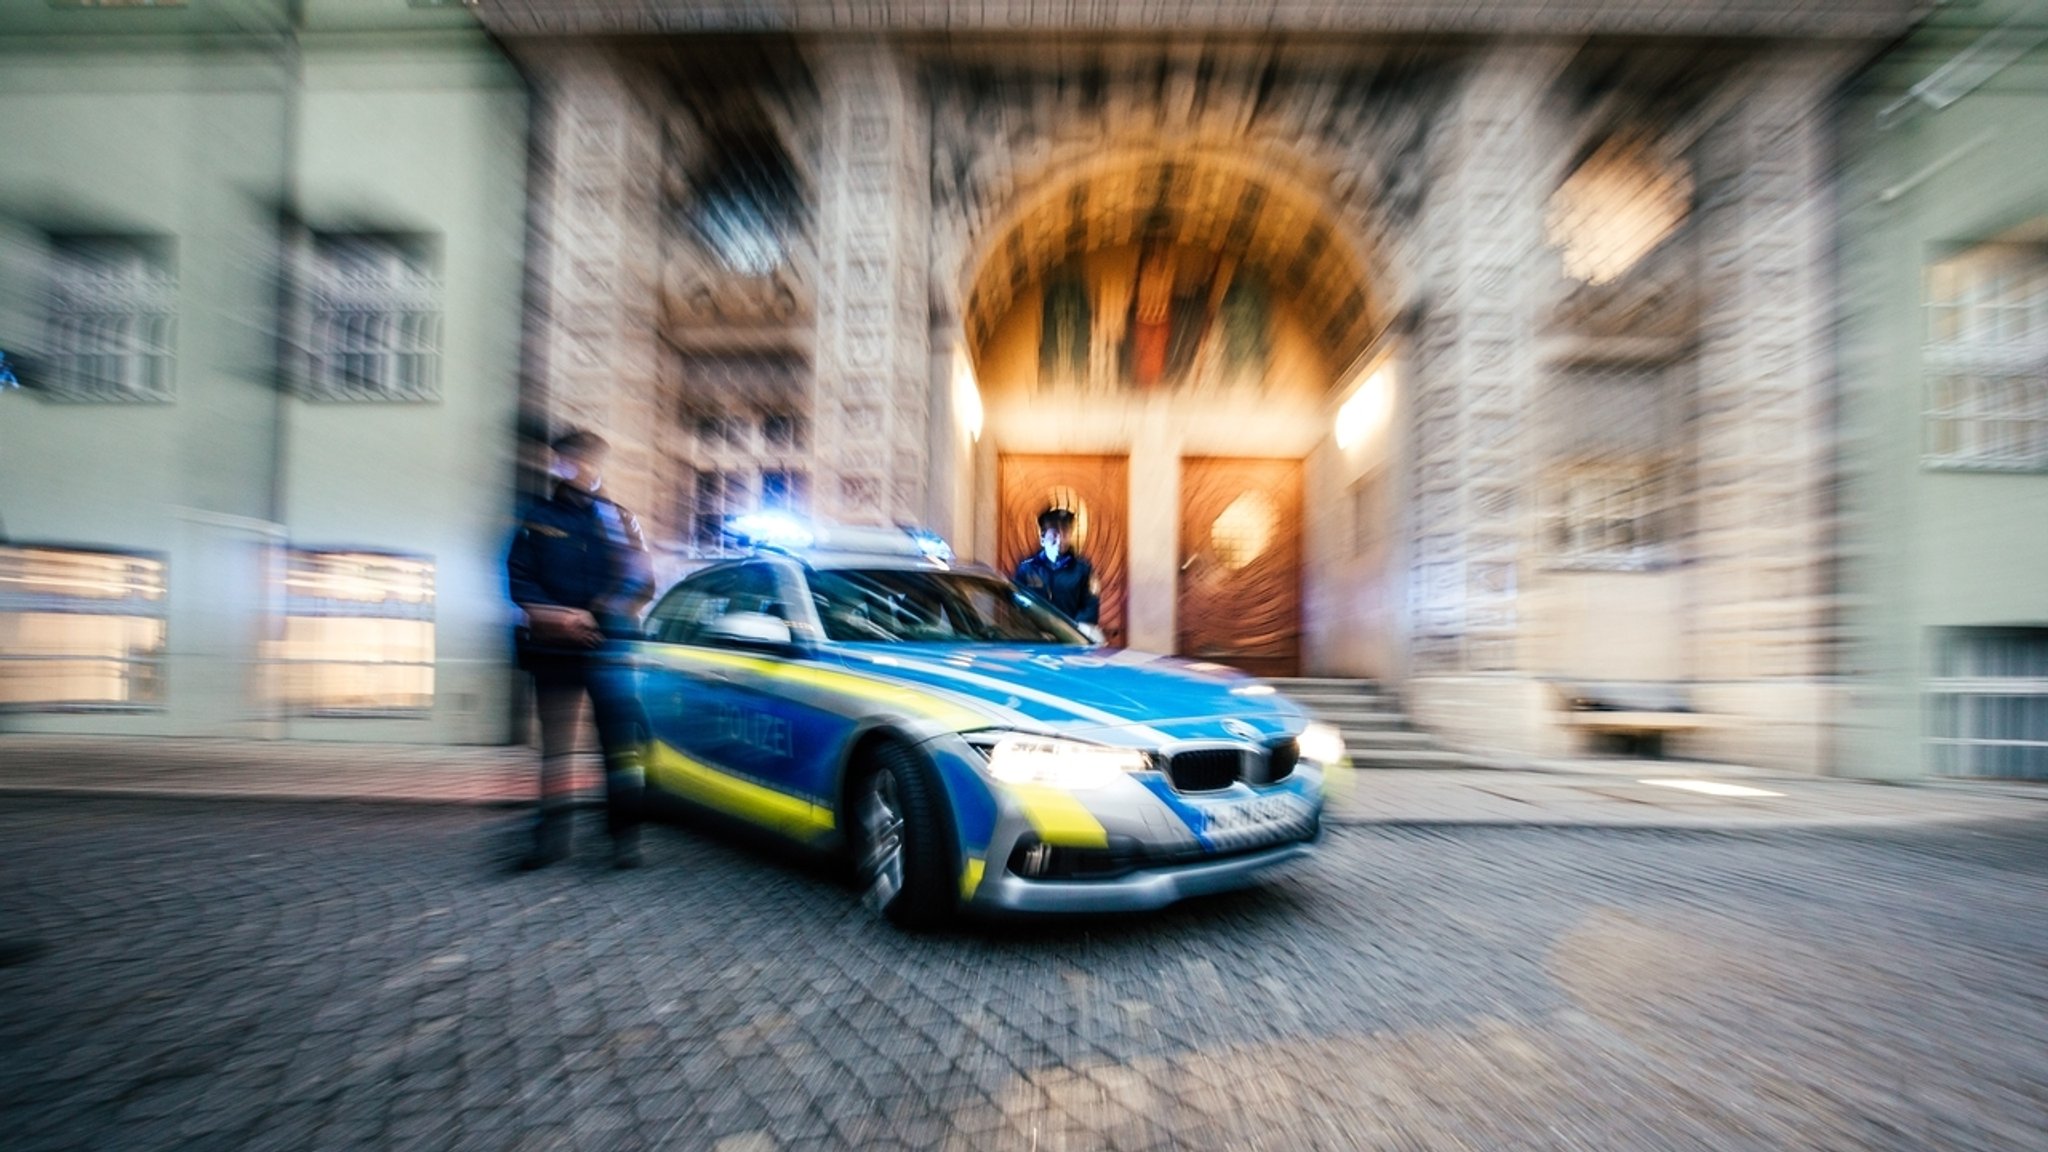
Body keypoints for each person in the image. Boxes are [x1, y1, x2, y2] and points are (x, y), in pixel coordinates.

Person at [507, 430, 655, 870]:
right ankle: (550, 841)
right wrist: (560, 617)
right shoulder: (535, 519)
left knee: (620, 748)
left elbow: (642, 580)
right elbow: (518, 578)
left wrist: (598, 614)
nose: (580, 466)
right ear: (559, 462)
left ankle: (624, 839)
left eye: (589, 459)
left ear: (598, 463)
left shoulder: (620, 520)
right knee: (557, 752)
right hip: (554, 650)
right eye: (570, 459)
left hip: (610, 649)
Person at [1013, 506, 1104, 643]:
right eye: (1054, 533)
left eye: (1065, 533)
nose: (1060, 539)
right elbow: (1016, 604)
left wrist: (1074, 630)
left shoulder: (1082, 570)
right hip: (1034, 639)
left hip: (1070, 640)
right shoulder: (1027, 569)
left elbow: (1090, 605)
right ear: (1043, 538)